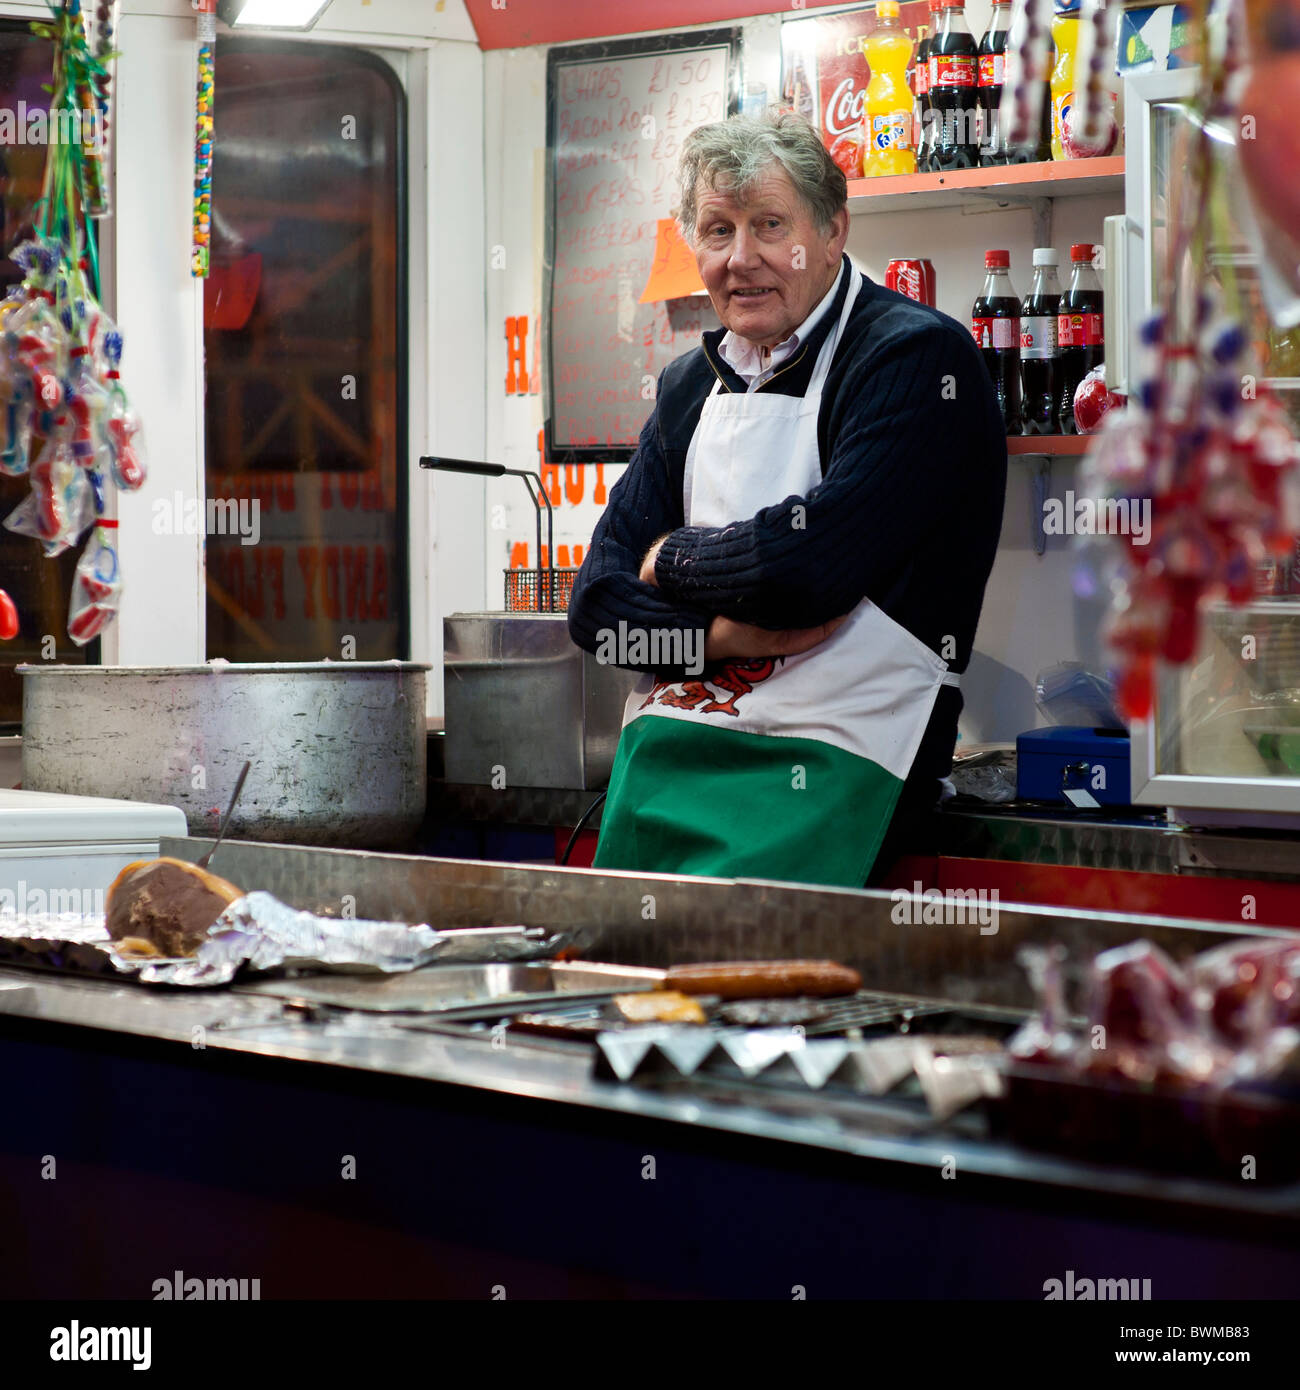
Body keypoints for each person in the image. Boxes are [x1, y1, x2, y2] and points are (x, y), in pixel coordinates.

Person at [568, 111, 1006, 888]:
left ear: (833, 231)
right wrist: (725, 642)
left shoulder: (915, 359)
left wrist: (669, 558)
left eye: (771, 225)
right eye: (716, 230)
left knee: (765, 995)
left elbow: (809, 571)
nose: (742, 259)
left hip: (837, 759)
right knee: (634, 993)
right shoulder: (686, 387)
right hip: (671, 762)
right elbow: (599, 617)